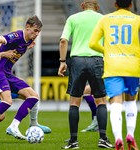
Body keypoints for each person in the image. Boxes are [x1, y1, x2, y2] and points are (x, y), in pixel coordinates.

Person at [0, 17, 51, 143]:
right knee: (5, 105)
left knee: (33, 97)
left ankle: (19, 125)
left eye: (39, 32)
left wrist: (27, 47)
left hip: (6, 74)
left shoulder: (28, 40)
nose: (37, 34)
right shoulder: (16, 35)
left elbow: (14, 49)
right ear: (27, 27)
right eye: (35, 31)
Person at [58, 0, 115, 149]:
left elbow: (63, 40)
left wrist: (62, 61)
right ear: (97, 7)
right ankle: (103, 139)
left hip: (77, 61)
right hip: (97, 60)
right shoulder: (104, 19)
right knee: (101, 101)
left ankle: (73, 141)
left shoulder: (73, 18)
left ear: (82, 6)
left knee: (74, 102)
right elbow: (110, 41)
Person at [89, 0, 139, 149]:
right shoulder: (137, 19)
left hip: (113, 66)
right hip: (133, 66)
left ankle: (118, 138)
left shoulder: (105, 19)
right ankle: (130, 134)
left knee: (115, 103)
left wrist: (109, 52)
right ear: (130, 5)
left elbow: (92, 43)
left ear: (115, 4)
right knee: (131, 101)